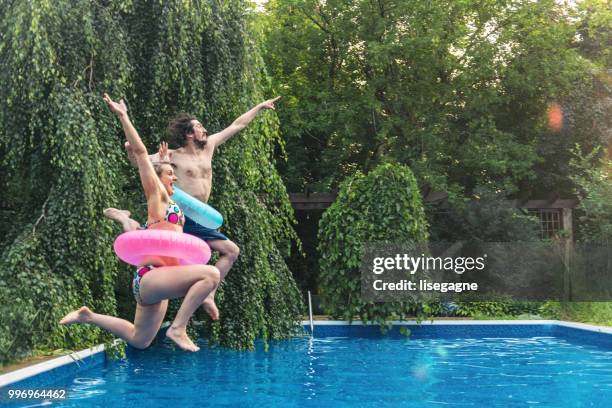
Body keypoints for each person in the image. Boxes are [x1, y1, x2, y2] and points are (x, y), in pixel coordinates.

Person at [60, 94, 221, 352]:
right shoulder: (156, 196)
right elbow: (141, 153)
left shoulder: (176, 206)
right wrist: (123, 116)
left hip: (160, 279)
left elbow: (147, 236)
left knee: (140, 339)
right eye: (170, 174)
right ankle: (178, 328)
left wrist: (165, 161)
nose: (175, 179)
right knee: (211, 273)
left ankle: (87, 316)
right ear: (157, 178)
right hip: (152, 278)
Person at [104, 96, 281, 321]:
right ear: (189, 134)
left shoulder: (209, 147)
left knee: (231, 251)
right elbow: (141, 162)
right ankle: (125, 220)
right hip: (179, 216)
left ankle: (209, 295)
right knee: (152, 247)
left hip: (200, 218)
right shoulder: (173, 156)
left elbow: (238, 125)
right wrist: (131, 152)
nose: (204, 130)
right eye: (199, 127)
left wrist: (259, 106)